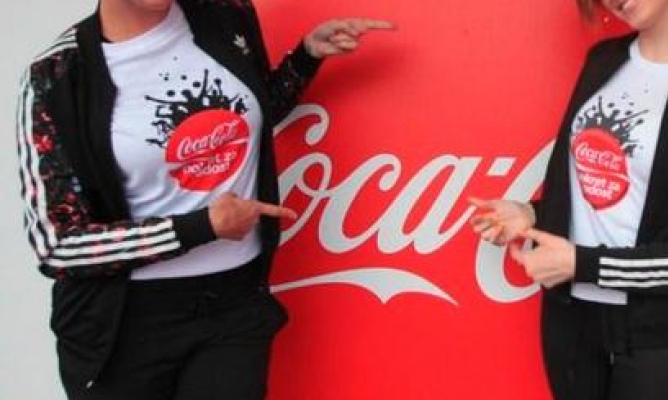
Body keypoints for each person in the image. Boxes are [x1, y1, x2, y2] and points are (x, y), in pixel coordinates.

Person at [14, 0, 392, 398]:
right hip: (126, 325)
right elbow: (57, 246)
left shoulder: (226, 16)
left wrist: (305, 57)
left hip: (234, 303)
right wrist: (201, 227)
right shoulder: (56, 75)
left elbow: (245, 115)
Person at [469, 0, 668, 398]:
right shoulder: (603, 61)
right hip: (571, 321)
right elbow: (601, 193)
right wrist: (530, 213)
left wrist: (582, 264)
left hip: (658, 338)